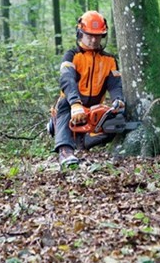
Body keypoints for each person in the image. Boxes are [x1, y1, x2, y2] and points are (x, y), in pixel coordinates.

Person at [48, 10, 125, 168]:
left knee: (116, 118)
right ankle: (65, 151)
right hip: (72, 102)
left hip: (94, 106)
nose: (93, 39)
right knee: (63, 106)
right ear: (80, 33)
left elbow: (115, 84)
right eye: (89, 34)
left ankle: (85, 141)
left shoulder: (109, 60)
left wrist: (118, 99)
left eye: (97, 35)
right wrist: (75, 104)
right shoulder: (72, 55)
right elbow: (67, 79)